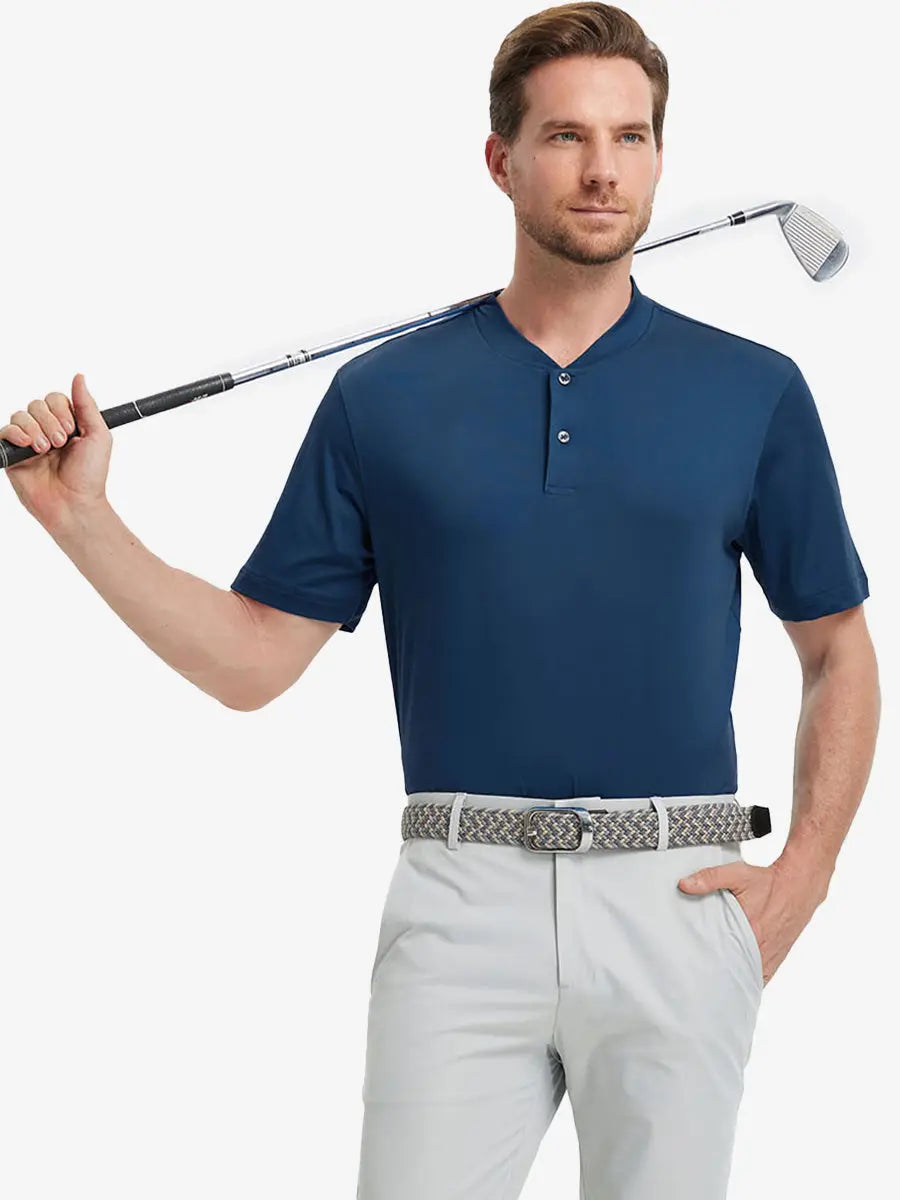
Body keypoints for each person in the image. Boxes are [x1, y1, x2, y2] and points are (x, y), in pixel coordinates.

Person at [1, 4, 880, 1198]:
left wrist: (805, 877)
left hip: (677, 895)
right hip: (462, 903)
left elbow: (837, 649)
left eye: (629, 136)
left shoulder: (754, 392)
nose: (603, 169)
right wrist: (82, 521)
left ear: (660, 157)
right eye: (567, 136)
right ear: (500, 159)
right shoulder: (384, 399)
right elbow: (252, 663)